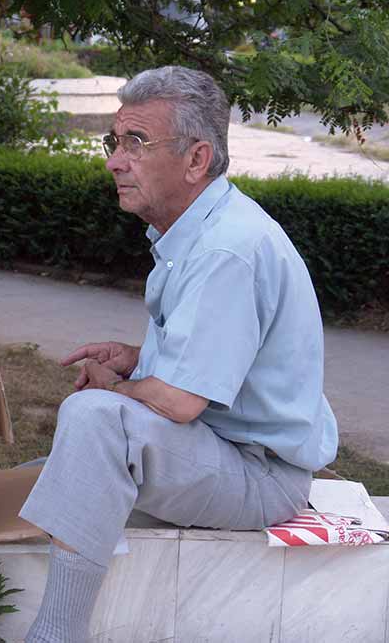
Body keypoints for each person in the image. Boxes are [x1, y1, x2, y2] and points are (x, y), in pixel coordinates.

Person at [18, 66, 338, 643]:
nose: (115, 160)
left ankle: (55, 634)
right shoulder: (208, 230)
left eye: (135, 143)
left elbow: (180, 401)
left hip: (261, 476)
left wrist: (113, 390)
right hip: (227, 452)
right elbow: (213, 368)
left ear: (196, 160)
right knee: (46, 472)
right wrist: (137, 358)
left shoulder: (224, 250)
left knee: (93, 421)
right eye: (114, 142)